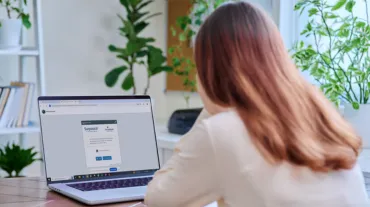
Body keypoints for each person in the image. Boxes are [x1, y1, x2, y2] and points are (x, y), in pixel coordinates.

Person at [144, 2, 369, 207]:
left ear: (210, 71)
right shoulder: (320, 117)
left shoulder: (222, 131)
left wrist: (213, 108)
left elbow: (158, 199)